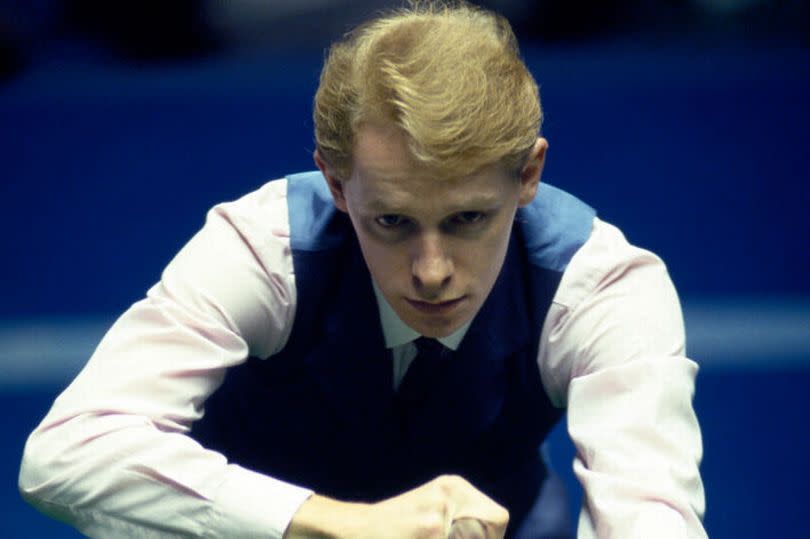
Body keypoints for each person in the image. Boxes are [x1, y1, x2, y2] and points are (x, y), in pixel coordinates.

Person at [19, 1, 706, 538]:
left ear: (528, 174)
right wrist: (344, 523)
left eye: (468, 219)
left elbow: (651, 513)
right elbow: (66, 455)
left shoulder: (604, 283)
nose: (432, 270)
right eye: (393, 222)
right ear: (338, 184)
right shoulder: (265, 246)